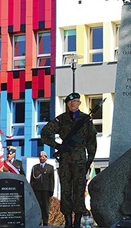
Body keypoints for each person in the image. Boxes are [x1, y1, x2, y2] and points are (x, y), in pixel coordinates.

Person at [41, 92, 97, 228]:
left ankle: (77, 221)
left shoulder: (86, 119)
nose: (73, 104)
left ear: (79, 103)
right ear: (67, 104)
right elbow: (45, 134)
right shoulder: (61, 119)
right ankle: (67, 221)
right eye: (71, 102)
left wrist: (90, 159)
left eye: (76, 101)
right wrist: (58, 146)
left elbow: (91, 140)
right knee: (66, 189)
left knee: (79, 190)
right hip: (65, 158)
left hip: (80, 159)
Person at [30, 151, 55, 226]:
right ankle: (38, 221)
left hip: (46, 190)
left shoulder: (50, 167)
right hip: (36, 189)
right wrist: (31, 190)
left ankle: (45, 222)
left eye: (43, 156)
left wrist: (51, 190)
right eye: (40, 156)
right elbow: (32, 180)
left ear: (46, 158)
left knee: (45, 207)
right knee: (37, 206)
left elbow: (52, 180)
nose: (42, 158)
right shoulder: (35, 167)